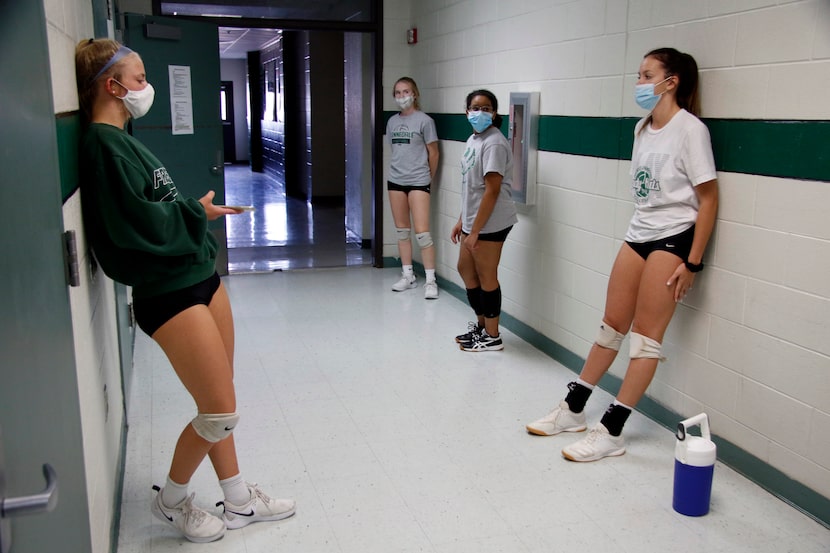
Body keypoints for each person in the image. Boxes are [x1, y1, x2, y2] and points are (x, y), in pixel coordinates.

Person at [75, 39, 296, 543]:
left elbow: (158, 210)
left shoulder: (125, 139)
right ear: (112, 86)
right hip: (168, 291)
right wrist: (194, 213)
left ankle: (238, 500)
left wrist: (200, 213)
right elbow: (137, 226)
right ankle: (171, 500)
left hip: (201, 276)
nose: (144, 87)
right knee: (219, 411)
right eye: (138, 78)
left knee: (220, 401)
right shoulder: (102, 145)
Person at [526, 48, 719, 461]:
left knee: (646, 341)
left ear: (672, 82)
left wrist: (694, 263)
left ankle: (612, 430)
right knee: (610, 327)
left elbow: (709, 199)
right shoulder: (642, 128)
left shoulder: (690, 130)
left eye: (647, 75)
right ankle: (572, 409)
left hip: (673, 239)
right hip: (638, 233)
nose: (640, 83)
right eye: (639, 74)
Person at [451, 89, 518, 352]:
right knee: (465, 269)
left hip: (492, 221)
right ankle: (482, 327)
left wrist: (476, 231)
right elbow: (471, 186)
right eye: (476, 107)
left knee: (486, 275)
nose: (481, 112)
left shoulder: (494, 143)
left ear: (495, 113)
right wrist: (461, 220)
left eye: (487, 108)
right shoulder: (473, 139)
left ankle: (493, 336)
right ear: (467, 111)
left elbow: (492, 191)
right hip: (473, 220)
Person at [386, 77, 440, 299]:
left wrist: (428, 178)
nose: (402, 96)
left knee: (423, 234)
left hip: (419, 181)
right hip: (395, 180)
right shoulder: (391, 122)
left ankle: (430, 281)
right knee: (402, 231)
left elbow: (433, 153)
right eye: (397, 93)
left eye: (406, 91)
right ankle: (408, 275)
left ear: (415, 93)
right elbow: (394, 149)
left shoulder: (425, 121)